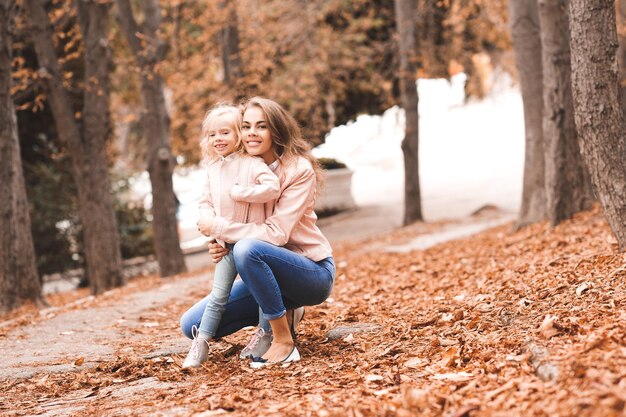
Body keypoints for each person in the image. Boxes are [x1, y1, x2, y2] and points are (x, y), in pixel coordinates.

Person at [181, 97, 335, 368]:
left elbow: (275, 234)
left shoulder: (298, 170)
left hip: (310, 272)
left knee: (247, 248)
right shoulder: (238, 167)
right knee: (191, 324)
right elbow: (222, 210)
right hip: (261, 272)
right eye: (246, 126)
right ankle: (284, 307)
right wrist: (218, 240)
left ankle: (282, 340)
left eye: (261, 126)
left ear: (276, 131)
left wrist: (222, 230)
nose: (252, 133)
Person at [182, 103, 280, 369]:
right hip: (226, 245)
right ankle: (200, 343)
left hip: (251, 245)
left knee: (262, 292)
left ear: (238, 134)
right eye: (212, 134)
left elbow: (272, 187)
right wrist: (209, 222)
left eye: (225, 132)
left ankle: (266, 335)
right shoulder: (212, 169)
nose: (218, 139)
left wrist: (241, 192)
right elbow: (205, 202)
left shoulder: (252, 163)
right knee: (218, 295)